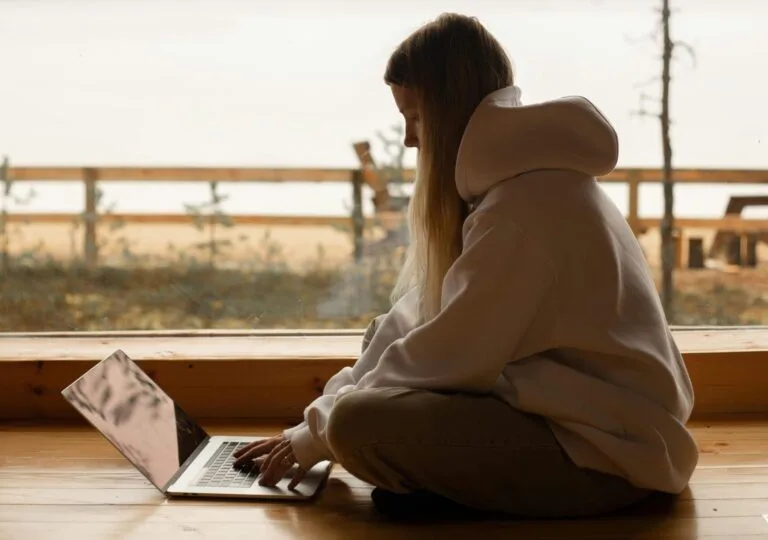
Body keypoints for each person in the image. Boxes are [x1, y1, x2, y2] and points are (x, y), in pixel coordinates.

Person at [234, 12, 699, 519]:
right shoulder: (513, 187)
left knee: (356, 425)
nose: (411, 141)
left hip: (608, 455)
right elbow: (420, 320)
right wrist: (305, 429)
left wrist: (320, 432)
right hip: (572, 410)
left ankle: (440, 484)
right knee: (380, 339)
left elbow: (450, 354)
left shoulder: (523, 208)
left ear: (448, 110)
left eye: (415, 118)